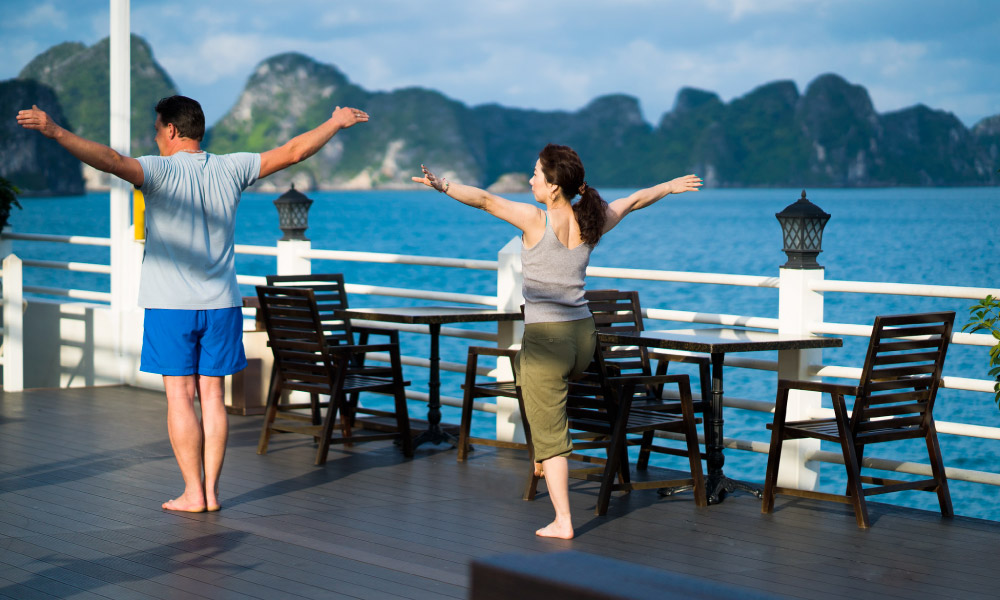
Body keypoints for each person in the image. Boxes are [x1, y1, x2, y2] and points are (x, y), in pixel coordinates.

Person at [16, 96, 369, 513]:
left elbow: (109, 160)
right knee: (213, 397)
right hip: (222, 303)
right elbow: (295, 151)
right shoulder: (232, 167)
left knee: (180, 397)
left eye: (156, 129)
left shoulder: (158, 170)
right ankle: (213, 493)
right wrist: (334, 123)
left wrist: (54, 131)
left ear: (170, 130)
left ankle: (193, 493)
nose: (154, 137)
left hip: (171, 305)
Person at [413, 144, 701, 539]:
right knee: (526, 376)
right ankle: (541, 456)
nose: (530, 179)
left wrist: (442, 185)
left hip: (548, 342)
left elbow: (482, 200)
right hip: (584, 339)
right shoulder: (592, 219)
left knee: (550, 427)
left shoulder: (535, 220)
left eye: (535, 174)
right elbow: (633, 201)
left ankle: (562, 517)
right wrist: (668, 186)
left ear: (552, 188)